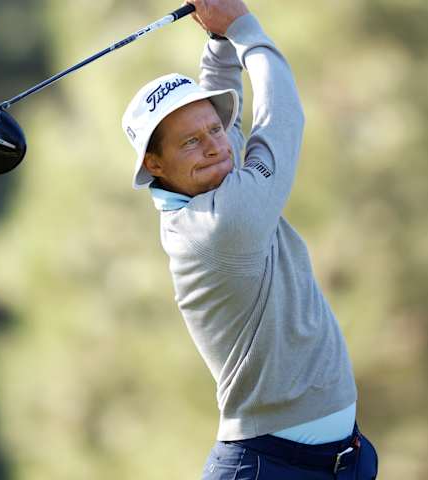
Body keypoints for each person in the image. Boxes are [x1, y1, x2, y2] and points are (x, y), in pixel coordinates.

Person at [121, 1, 378, 477]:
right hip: (267, 466)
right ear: (154, 164)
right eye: (190, 142)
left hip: (340, 460)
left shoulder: (207, 181)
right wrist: (243, 26)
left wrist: (218, 39)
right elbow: (284, 121)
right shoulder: (221, 222)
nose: (216, 145)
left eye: (215, 129)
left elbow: (225, 118)